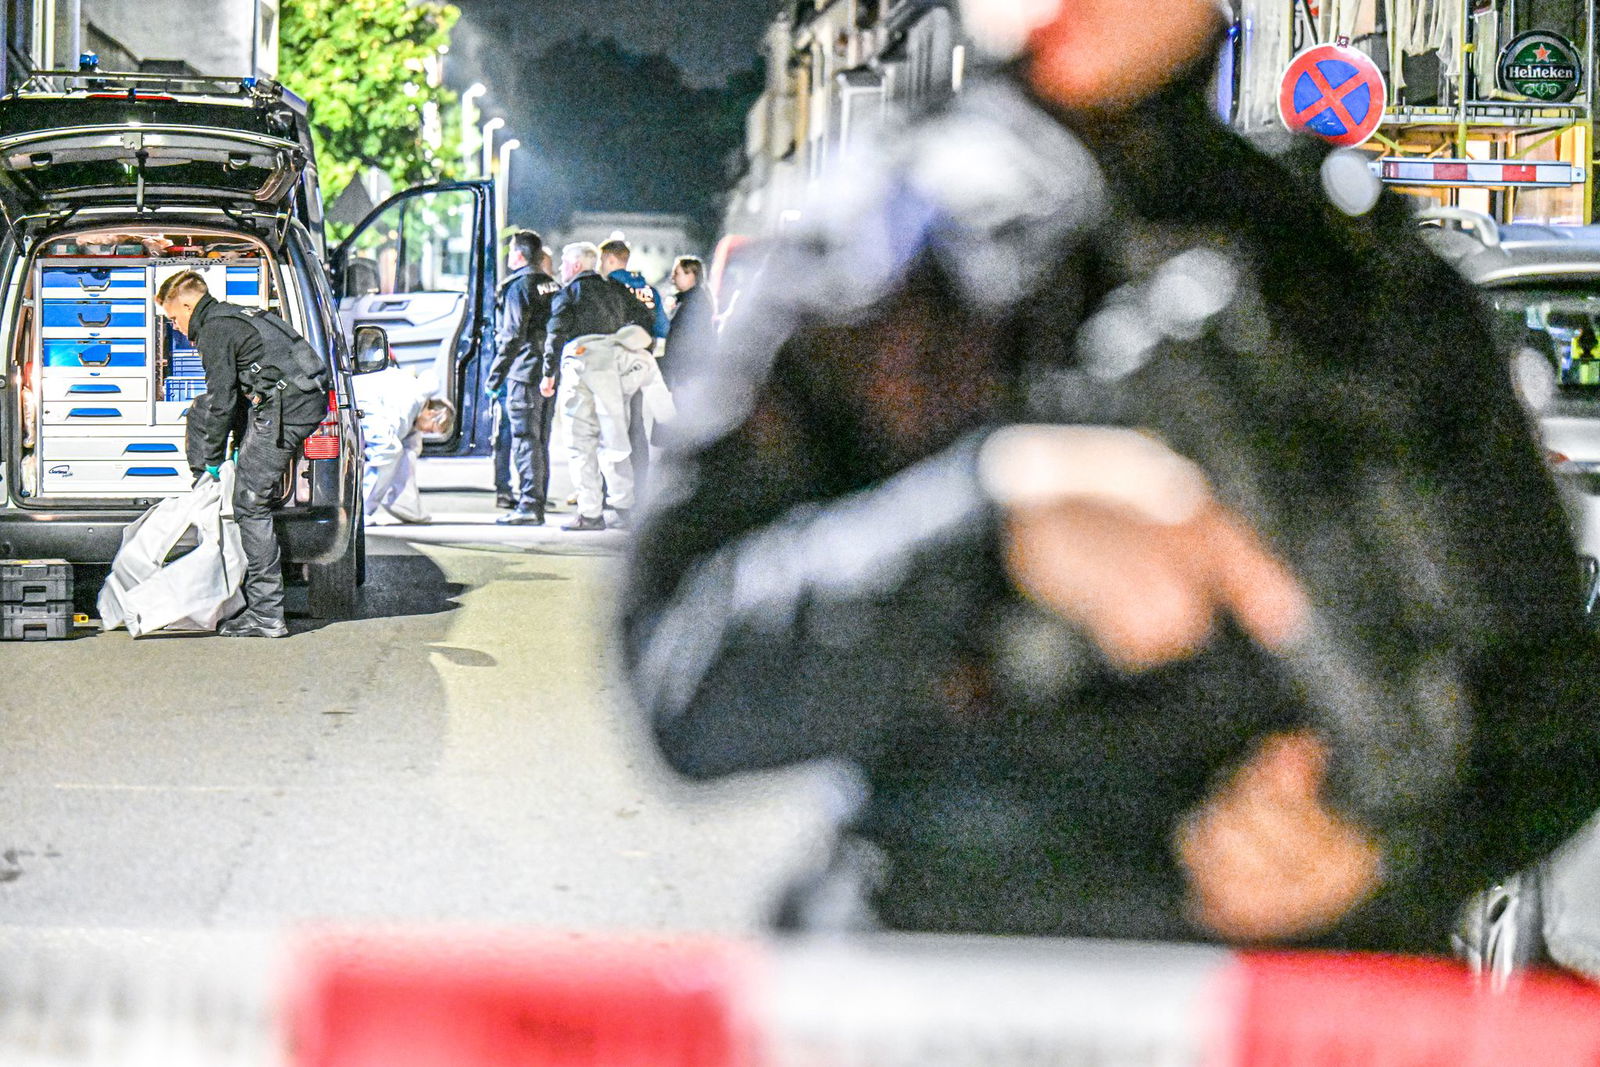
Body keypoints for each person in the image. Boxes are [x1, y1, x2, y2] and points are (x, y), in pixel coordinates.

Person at [620, 0, 1600, 953]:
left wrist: (1382, 853)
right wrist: (985, 520)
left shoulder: (1351, 273)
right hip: (941, 979)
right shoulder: (860, 238)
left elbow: (1557, 711)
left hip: (1276, 998)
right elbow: (683, 677)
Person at [158, 270, 329, 639]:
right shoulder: (234, 315)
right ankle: (262, 607)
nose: (175, 327)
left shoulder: (215, 330)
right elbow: (234, 393)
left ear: (189, 304)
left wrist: (212, 464)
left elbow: (222, 401)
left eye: (174, 317)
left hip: (288, 408)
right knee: (246, 487)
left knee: (250, 503)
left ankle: (266, 614)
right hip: (296, 400)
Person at [540, 242, 653, 531]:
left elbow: (555, 334)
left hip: (580, 365)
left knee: (581, 441)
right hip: (612, 368)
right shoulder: (616, 290)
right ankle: (624, 507)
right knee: (614, 438)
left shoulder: (568, 294)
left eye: (565, 262)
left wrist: (548, 373)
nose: (562, 268)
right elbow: (646, 319)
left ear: (576, 265)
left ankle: (590, 513)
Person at [487, 230, 562, 525]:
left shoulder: (519, 287)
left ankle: (529, 506)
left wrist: (495, 377)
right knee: (541, 439)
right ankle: (537, 501)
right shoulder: (552, 285)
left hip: (523, 371)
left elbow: (512, 336)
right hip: (548, 371)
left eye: (510, 252)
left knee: (524, 439)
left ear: (518, 254)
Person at [600, 239, 669, 496]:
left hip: (613, 362)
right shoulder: (649, 290)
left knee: (610, 426)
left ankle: (611, 490)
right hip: (642, 362)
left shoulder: (608, 287)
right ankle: (640, 487)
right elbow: (662, 327)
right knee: (637, 425)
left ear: (609, 260)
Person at [355, 355, 453, 524]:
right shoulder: (410, 402)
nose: (426, 433)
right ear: (431, 413)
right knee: (388, 450)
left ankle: (370, 507)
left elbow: (410, 453)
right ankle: (361, 511)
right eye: (430, 429)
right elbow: (386, 442)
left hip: (362, 399)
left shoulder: (414, 409)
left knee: (397, 451)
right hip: (362, 401)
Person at [664, 255, 716, 389]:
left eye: (677, 273)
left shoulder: (692, 303)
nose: (672, 277)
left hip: (687, 373)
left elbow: (683, 340)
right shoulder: (691, 299)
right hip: (690, 372)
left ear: (691, 275)